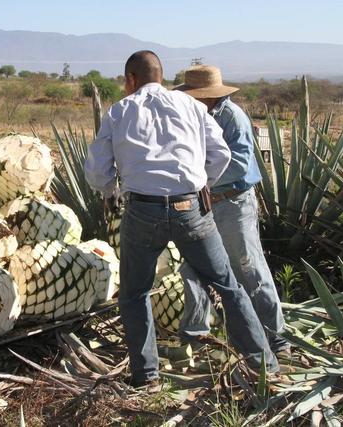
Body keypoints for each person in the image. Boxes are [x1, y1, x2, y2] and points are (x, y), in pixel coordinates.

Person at [84, 51, 278, 388]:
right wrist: (201, 184)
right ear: (161, 76)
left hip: (143, 211)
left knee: (134, 293)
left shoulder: (119, 111)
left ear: (130, 79)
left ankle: (147, 378)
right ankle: (264, 365)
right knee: (228, 285)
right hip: (192, 209)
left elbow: (98, 172)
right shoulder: (190, 105)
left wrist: (111, 189)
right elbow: (221, 155)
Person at [174, 65, 289, 355]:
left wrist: (197, 177)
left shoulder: (232, 117)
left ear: (211, 96)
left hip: (233, 202)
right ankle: (195, 336)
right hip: (202, 202)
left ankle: (276, 339)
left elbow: (238, 164)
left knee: (248, 267)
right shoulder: (193, 115)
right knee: (193, 267)